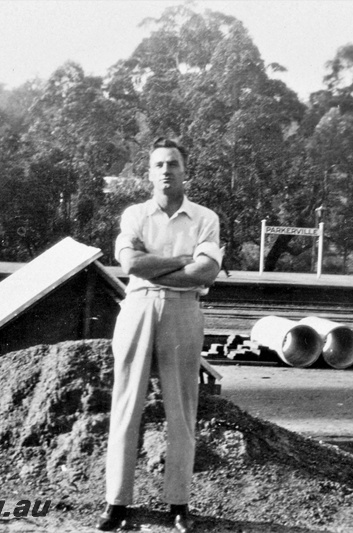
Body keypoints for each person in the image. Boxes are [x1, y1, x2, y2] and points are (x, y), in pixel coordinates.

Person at [97, 138, 222, 532]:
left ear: (186, 171)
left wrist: (157, 266)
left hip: (184, 309)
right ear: (149, 173)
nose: (166, 170)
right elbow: (131, 264)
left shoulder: (205, 218)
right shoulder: (135, 214)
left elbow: (206, 271)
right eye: (159, 165)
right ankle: (117, 504)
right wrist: (182, 261)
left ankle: (178, 505)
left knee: (181, 408)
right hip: (138, 307)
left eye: (173, 164)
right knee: (126, 404)